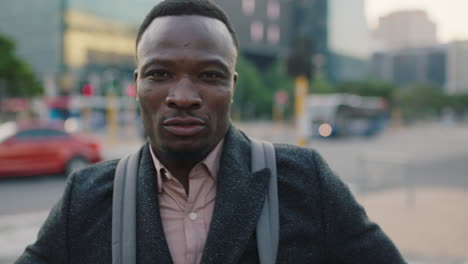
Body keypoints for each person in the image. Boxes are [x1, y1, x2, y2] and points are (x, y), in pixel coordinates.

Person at [16, 0, 405, 263]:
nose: (183, 96)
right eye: (160, 74)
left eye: (209, 76)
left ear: (233, 85)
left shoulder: (306, 180)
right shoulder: (85, 197)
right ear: (137, 85)